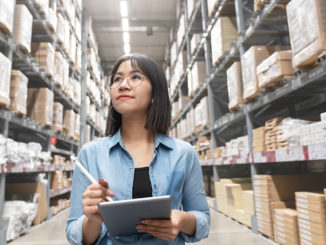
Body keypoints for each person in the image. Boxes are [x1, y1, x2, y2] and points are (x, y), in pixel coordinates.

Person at [66, 53, 210, 245]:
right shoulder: (90, 154)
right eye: (117, 79)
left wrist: (182, 220)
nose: (123, 85)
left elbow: (203, 220)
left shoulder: (183, 154)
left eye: (135, 77)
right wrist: (92, 218)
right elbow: (75, 234)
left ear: (155, 94)